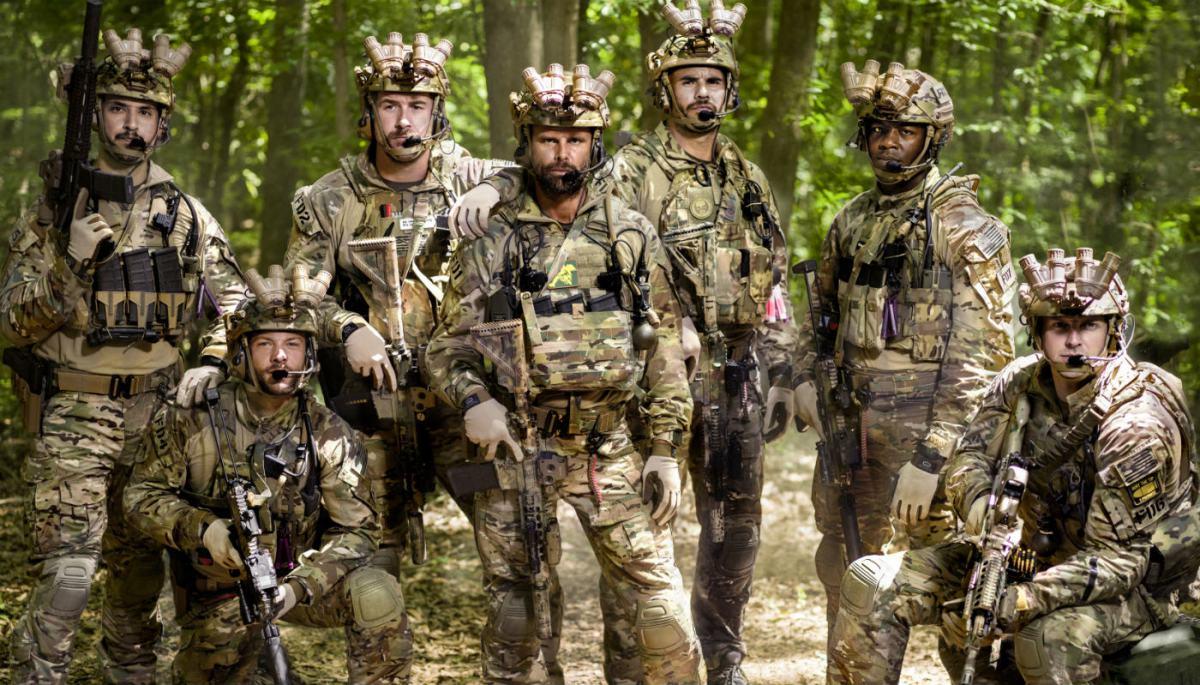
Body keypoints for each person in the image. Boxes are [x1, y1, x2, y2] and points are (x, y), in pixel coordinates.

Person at [449, 3, 796, 680]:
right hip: (559, 422)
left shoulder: (744, 176)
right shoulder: (628, 171)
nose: (702, 92)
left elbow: (772, 275)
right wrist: (493, 183)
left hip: (717, 383)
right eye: (688, 79)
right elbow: (551, 183)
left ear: (730, 89)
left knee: (725, 540)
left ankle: (723, 658)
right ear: (666, 90)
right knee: (526, 611)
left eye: (713, 79)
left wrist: (779, 368)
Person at [425, 61, 704, 684]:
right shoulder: (491, 237)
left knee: (659, 609)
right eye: (548, 139)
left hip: (608, 447)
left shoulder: (628, 233)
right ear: (526, 144)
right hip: (517, 447)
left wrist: (665, 450)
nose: (561, 153)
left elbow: (663, 349)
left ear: (594, 144)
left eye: (575, 140)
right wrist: (473, 401)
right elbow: (446, 348)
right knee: (517, 613)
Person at [0, 28, 249, 683]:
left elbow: (239, 307)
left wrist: (213, 360)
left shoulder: (187, 215)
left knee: (138, 575)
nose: (131, 124)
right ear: (95, 114)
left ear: (163, 124)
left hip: (157, 418)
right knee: (69, 574)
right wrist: (71, 262)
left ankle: (130, 674)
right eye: (117, 108)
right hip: (74, 412)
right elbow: (12, 321)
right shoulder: (52, 211)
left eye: (145, 112)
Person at [827, 247, 1199, 685]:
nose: (1074, 342)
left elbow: (1119, 563)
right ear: (1038, 333)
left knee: (1047, 637)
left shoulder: (1135, 422)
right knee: (871, 582)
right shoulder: (1020, 383)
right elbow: (969, 457)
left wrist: (1016, 603)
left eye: (1088, 326)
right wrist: (981, 507)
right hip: (1026, 562)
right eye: (1060, 327)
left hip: (1136, 591)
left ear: (1113, 331)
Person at [793, 59, 1017, 644]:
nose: (888, 142)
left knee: (956, 599)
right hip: (854, 438)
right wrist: (801, 380)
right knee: (847, 578)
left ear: (933, 137)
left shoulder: (964, 227)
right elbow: (821, 315)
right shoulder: (852, 220)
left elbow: (984, 359)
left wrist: (932, 459)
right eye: (878, 130)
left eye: (905, 131)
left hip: (929, 443)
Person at [284, 30, 515, 575]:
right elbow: (300, 297)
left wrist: (495, 189)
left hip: (464, 402)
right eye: (390, 106)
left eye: (418, 106)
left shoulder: (469, 177)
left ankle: (523, 632)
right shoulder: (330, 198)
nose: (404, 121)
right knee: (370, 568)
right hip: (371, 409)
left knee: (514, 546)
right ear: (370, 112)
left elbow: (558, 173)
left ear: (438, 113)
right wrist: (346, 327)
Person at [124, 264, 412, 683]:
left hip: (299, 585)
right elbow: (139, 497)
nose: (280, 357)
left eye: (292, 344)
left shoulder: (328, 431)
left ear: (308, 355)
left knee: (376, 593)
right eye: (266, 344)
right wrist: (203, 528)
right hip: (221, 593)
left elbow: (358, 533)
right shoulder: (193, 418)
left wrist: (300, 586)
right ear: (241, 353)